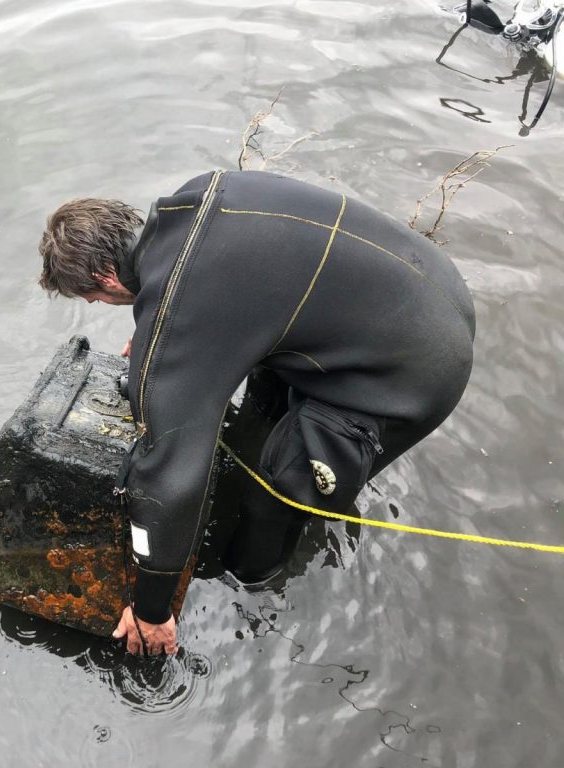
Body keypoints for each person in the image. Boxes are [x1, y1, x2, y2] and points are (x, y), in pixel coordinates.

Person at [37, 170, 475, 657]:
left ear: (103, 277)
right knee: (262, 404)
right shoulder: (198, 197)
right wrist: (160, 330)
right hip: (428, 287)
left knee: (275, 497)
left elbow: (169, 477)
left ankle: (257, 588)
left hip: (414, 372)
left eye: (92, 296)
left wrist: (152, 610)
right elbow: (228, 292)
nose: (99, 303)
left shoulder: (182, 308)